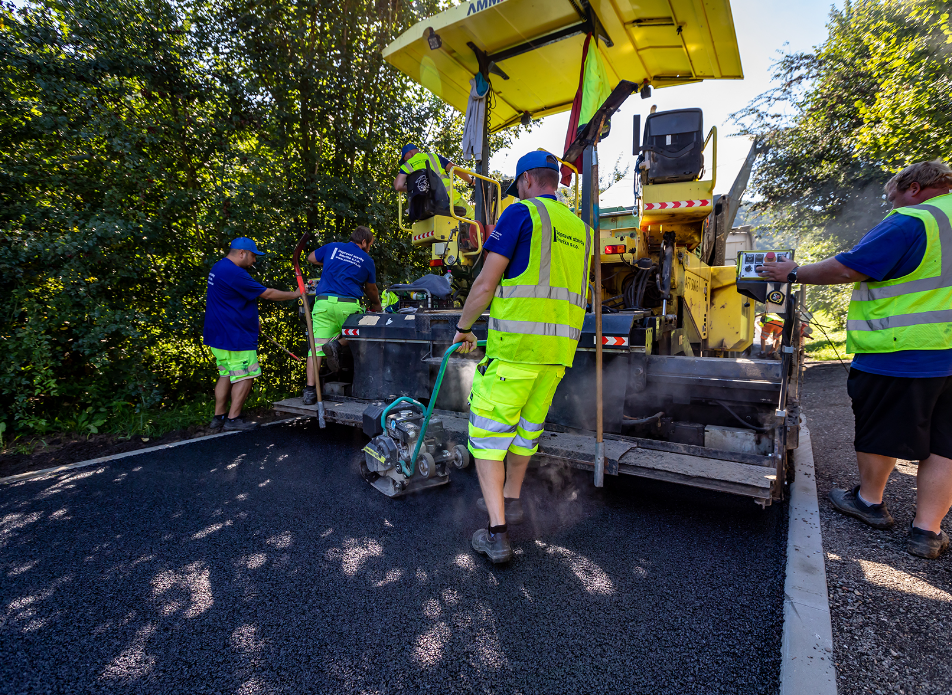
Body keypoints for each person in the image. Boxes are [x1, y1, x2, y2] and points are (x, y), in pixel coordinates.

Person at [757, 159, 952, 559]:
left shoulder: (913, 220)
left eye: (892, 196)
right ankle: (927, 531)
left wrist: (794, 273)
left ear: (914, 187)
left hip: (903, 352)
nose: (891, 205)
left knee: (881, 431)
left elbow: (849, 268)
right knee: (944, 444)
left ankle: (868, 501)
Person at [453, 151, 592, 564]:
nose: (518, 191)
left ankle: (497, 534)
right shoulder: (582, 230)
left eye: (519, 185)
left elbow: (485, 282)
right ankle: (511, 500)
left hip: (515, 351)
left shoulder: (520, 214)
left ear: (529, 180)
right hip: (556, 356)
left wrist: (463, 328)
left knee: (487, 441)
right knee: (525, 434)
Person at [204, 237, 300, 430]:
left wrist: (253, 321)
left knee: (226, 374)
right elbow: (268, 293)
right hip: (235, 336)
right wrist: (296, 294)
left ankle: (219, 417)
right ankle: (233, 419)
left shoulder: (219, 267)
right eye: (253, 256)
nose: (254, 261)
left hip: (218, 334)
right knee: (245, 376)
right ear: (242, 253)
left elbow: (232, 300)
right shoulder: (235, 273)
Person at [301, 226, 383, 405]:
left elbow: (310, 257)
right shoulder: (366, 259)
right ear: (363, 242)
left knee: (316, 348)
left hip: (323, 304)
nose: (369, 248)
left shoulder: (332, 247)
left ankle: (309, 391)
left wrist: (332, 263)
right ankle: (337, 345)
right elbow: (371, 289)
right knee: (359, 333)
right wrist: (377, 305)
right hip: (348, 305)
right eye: (369, 245)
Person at [394, 144, 474, 217]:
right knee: (476, 220)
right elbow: (456, 169)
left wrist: (416, 187)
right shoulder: (433, 157)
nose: (405, 161)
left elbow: (398, 186)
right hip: (450, 200)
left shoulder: (407, 166)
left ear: (410, 153)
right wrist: (471, 181)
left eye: (405, 158)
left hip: (426, 207)